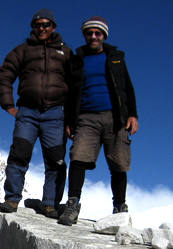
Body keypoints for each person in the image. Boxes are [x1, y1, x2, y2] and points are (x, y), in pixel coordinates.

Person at [58, 16, 138, 226]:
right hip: (86, 117)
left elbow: (127, 88)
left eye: (98, 33)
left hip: (115, 116)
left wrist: (133, 115)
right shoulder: (76, 60)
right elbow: (70, 93)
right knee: (78, 157)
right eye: (89, 33)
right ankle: (72, 205)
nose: (93, 36)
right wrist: (69, 119)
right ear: (84, 35)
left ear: (104, 36)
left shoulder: (116, 58)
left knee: (119, 163)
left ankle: (119, 208)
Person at [0, 9, 73, 218]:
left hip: (56, 114)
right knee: (19, 155)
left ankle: (50, 204)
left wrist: (72, 117)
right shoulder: (22, 50)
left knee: (56, 161)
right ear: (33, 27)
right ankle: (11, 199)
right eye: (38, 24)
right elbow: (4, 75)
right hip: (27, 112)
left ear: (53, 27)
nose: (42, 28)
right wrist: (8, 105)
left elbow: (76, 85)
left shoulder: (66, 53)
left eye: (46, 24)